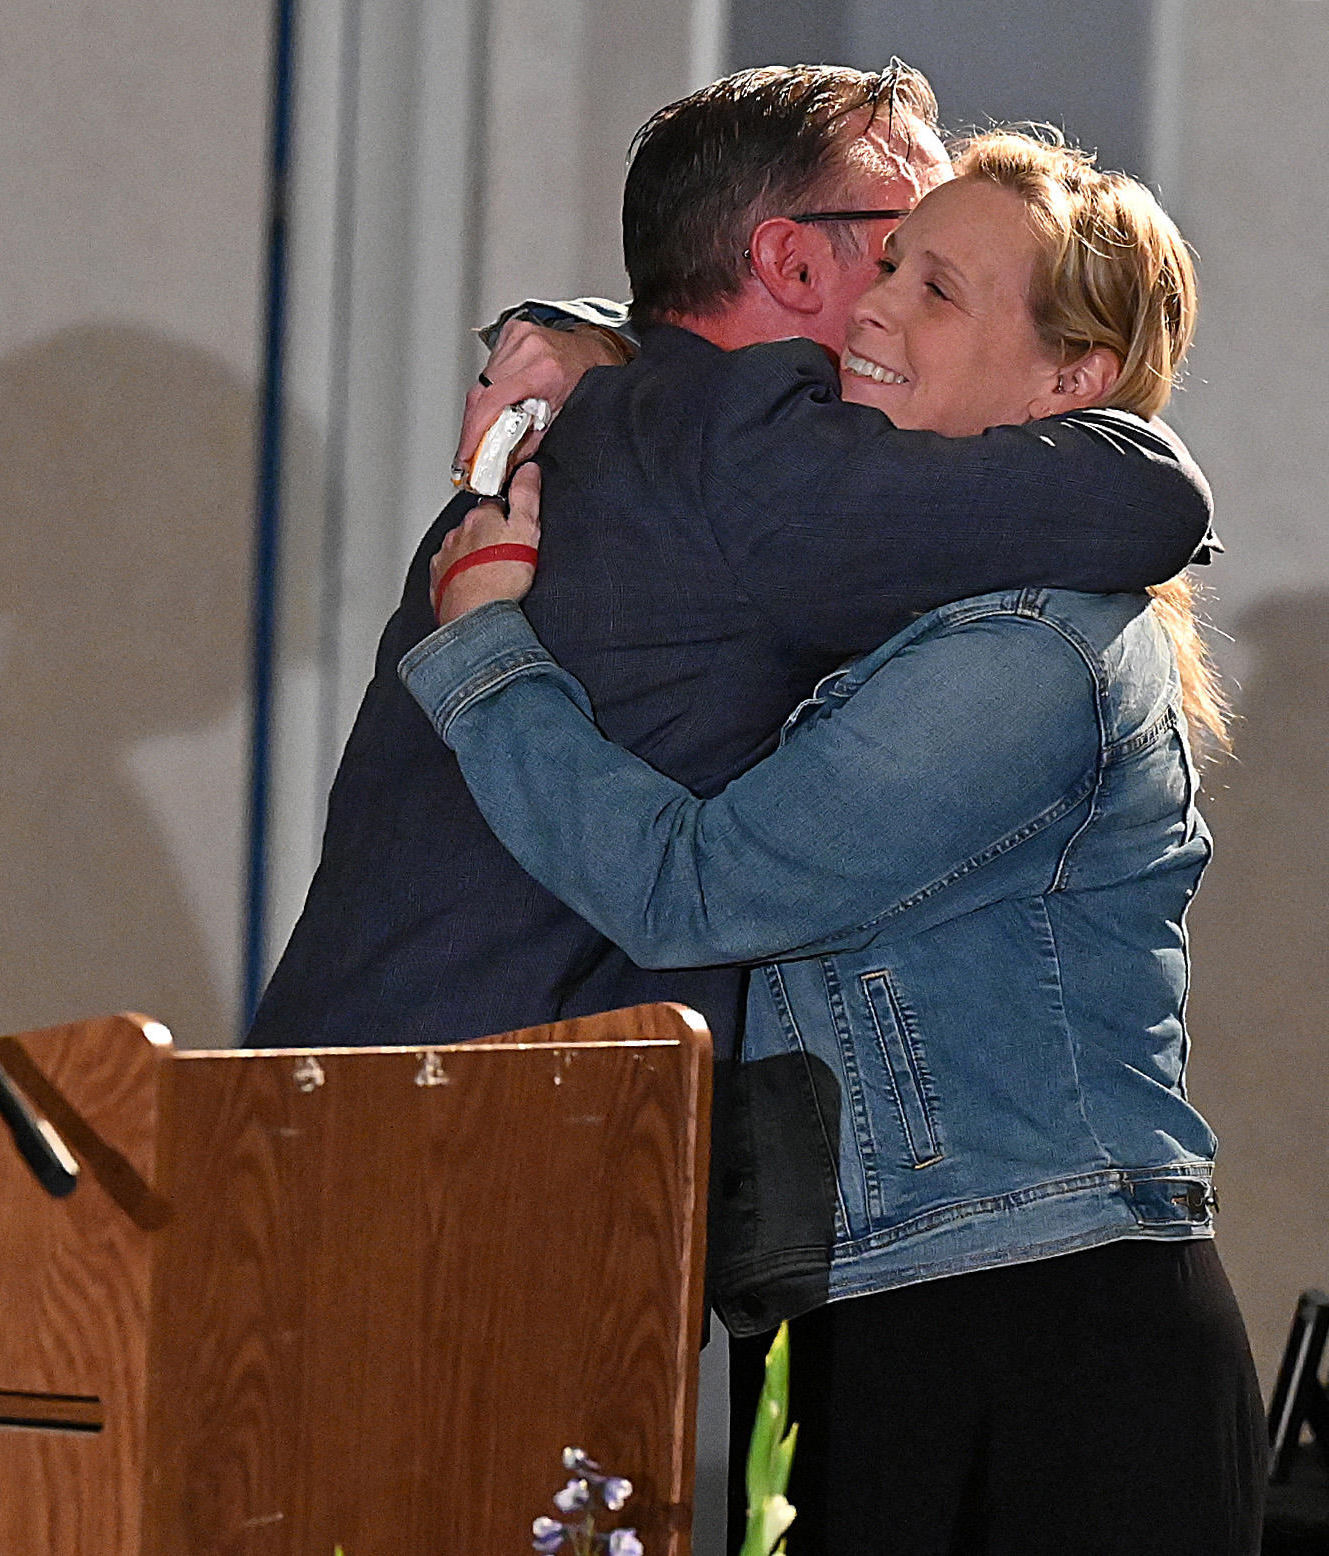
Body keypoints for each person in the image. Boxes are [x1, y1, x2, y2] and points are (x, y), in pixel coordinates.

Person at [405, 133, 1262, 1552]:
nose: (871, 306)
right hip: (890, 1313)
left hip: (1034, 1333)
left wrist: (486, 656)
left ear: (1070, 383)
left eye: (937, 290)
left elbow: (698, 886)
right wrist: (598, 342)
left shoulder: (1032, 650)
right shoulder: (918, 596)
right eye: (884, 264)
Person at [246, 62, 1213, 1081]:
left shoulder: (640, 426)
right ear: (793, 267)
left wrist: (590, 331)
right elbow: (1150, 499)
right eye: (897, 252)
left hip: (372, 1109)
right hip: (439, 1147)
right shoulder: (757, 461)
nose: (892, 299)